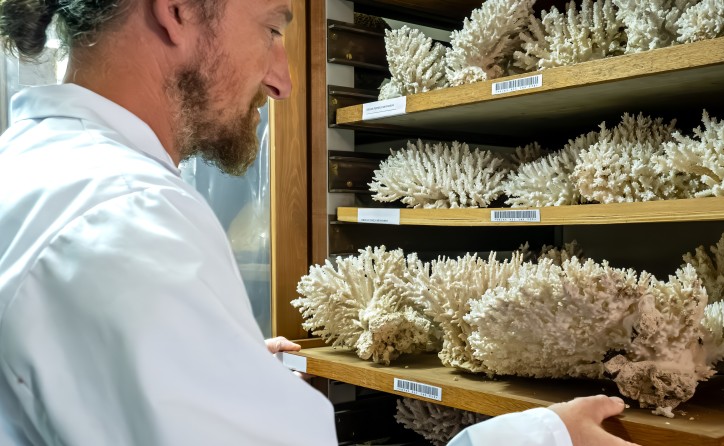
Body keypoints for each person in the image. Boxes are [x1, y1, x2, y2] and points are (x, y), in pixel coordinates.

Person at [0, 0, 639, 445]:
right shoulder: (128, 221)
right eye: (273, 28)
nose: (280, 78)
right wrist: (532, 438)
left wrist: (223, 363)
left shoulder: (34, 171)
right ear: (178, 10)